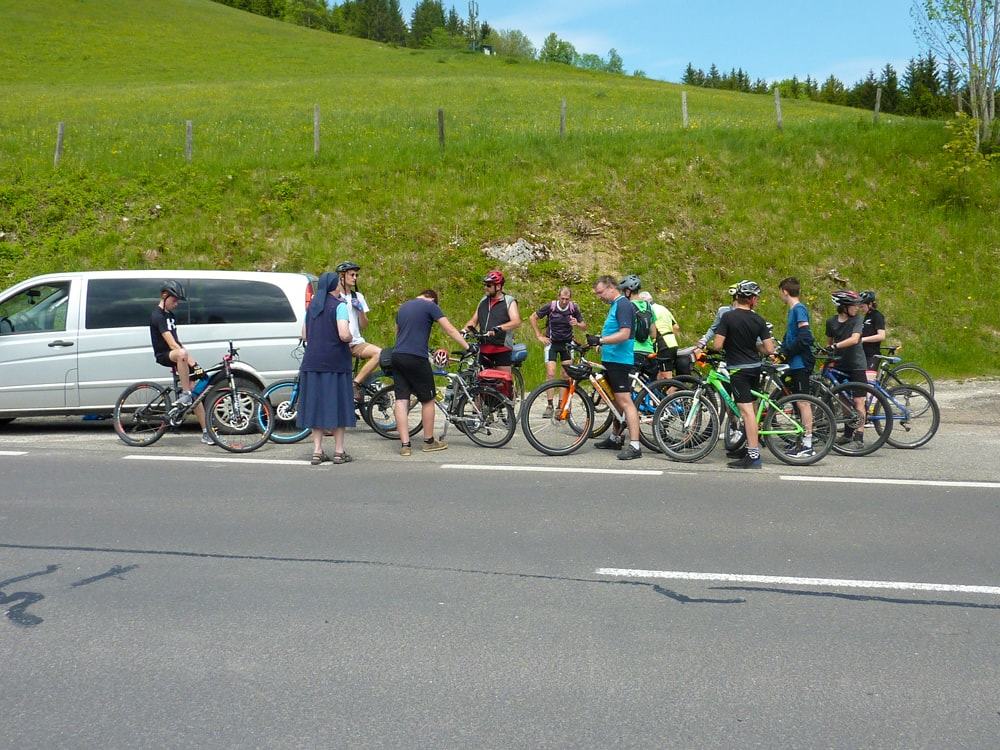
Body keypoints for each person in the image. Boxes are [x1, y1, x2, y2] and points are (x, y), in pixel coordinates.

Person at [393, 289, 471, 456]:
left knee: (401, 399)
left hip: (397, 355)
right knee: (428, 399)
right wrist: (468, 347)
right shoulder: (430, 306)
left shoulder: (403, 307)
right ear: (433, 300)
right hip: (416, 357)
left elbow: (398, 333)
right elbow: (450, 330)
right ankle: (429, 441)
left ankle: (405, 445)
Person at [712, 280, 775, 469]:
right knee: (752, 411)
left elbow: (717, 345)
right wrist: (752, 345)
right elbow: (769, 349)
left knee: (746, 412)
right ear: (752, 299)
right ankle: (749, 447)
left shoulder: (728, 317)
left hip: (738, 369)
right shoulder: (758, 319)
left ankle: (753, 456)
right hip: (755, 368)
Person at [296, 272, 356, 465]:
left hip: (312, 362)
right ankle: (339, 451)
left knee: (316, 404)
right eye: (338, 283)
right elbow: (343, 334)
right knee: (338, 405)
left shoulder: (312, 307)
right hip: (335, 363)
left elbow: (304, 335)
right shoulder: (339, 306)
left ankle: (317, 450)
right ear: (334, 286)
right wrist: (350, 338)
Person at [586, 275, 642, 460]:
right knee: (614, 401)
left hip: (620, 360)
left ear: (611, 288)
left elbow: (624, 334)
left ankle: (635, 445)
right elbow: (613, 331)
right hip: (611, 359)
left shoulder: (623, 304)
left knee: (625, 401)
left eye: (600, 292)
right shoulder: (615, 305)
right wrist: (599, 342)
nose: (598, 297)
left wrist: (601, 340)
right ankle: (615, 437)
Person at [149, 280, 210, 445]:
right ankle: (185, 394)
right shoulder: (157, 315)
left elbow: (178, 342)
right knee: (182, 355)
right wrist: (190, 362)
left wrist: (196, 366)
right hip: (164, 354)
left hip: (177, 353)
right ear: (164, 296)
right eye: (174, 300)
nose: (176, 304)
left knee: (196, 392)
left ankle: (206, 432)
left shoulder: (171, 316)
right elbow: (172, 344)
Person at [528, 286, 586, 418]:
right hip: (552, 343)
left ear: (570, 298)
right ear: (558, 297)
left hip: (567, 344)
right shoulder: (551, 306)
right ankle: (549, 405)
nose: (564, 301)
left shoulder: (573, 308)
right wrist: (539, 335)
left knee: (566, 375)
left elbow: (584, 326)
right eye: (562, 298)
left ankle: (561, 405)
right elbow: (533, 317)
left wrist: (577, 324)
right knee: (550, 373)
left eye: (567, 299)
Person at [332, 260, 382, 403]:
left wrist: (360, 310)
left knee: (379, 353)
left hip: (355, 342)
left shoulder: (358, 297)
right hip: (338, 342)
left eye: (356, 275)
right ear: (342, 276)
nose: (355, 278)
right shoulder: (334, 296)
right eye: (352, 275)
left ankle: (356, 383)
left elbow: (364, 325)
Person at [777, 277, 816, 458]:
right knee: (797, 402)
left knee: (803, 402)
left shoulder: (799, 309)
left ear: (785, 291)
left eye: (780, 292)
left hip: (800, 362)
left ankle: (808, 444)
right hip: (794, 362)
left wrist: (787, 352)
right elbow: (791, 335)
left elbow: (804, 337)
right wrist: (781, 351)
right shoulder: (792, 310)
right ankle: (801, 441)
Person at [825, 290, 868, 448]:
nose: (857, 308)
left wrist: (835, 346)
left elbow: (855, 339)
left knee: (858, 400)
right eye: (853, 305)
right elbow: (829, 342)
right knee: (843, 400)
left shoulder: (858, 319)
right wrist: (828, 358)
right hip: (840, 364)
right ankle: (848, 434)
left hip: (857, 364)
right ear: (843, 307)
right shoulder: (831, 322)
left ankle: (859, 436)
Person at [464, 270, 521, 374]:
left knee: (503, 380)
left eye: (489, 285)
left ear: (498, 286)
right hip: (483, 348)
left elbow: (516, 321)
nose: (485, 287)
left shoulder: (509, 301)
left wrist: (499, 328)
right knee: (482, 380)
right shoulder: (483, 301)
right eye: (485, 285)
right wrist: (463, 331)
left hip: (501, 348)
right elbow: (473, 321)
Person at [638, 290, 681, 380]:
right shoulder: (662, 308)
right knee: (660, 375)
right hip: (672, 342)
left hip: (662, 343)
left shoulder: (649, 311)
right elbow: (676, 327)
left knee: (666, 377)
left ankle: (674, 389)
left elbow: (650, 332)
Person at [696, 283, 738, 349]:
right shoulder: (723, 310)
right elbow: (714, 329)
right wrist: (704, 340)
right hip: (726, 348)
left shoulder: (750, 313)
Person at [859, 290, 886, 369]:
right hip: (863, 354)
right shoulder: (866, 316)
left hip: (872, 355)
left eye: (862, 306)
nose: (861, 309)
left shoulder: (877, 316)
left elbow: (881, 336)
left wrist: (863, 339)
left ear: (870, 304)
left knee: (868, 377)